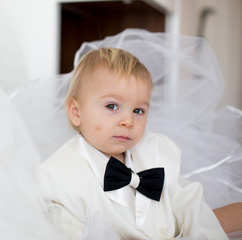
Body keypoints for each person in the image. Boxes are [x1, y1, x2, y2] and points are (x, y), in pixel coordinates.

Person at [35, 47, 233, 239]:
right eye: (112, 106)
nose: (128, 121)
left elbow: (191, 207)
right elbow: (67, 232)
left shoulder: (158, 151)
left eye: (138, 111)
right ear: (77, 113)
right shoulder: (58, 175)